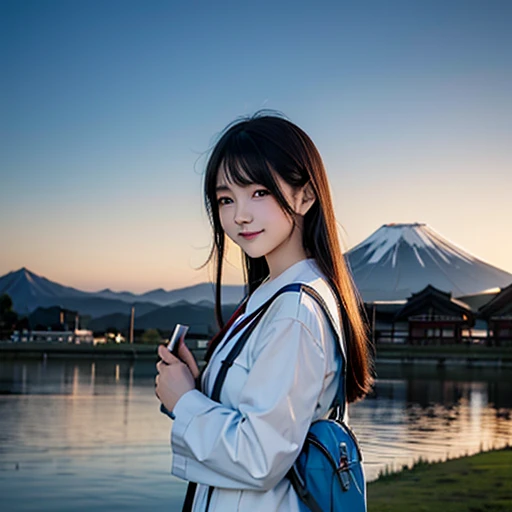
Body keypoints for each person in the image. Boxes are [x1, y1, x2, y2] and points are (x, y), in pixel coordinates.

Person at [155, 112, 373, 512]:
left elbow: (260, 457)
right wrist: (198, 386)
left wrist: (185, 402)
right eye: (225, 199)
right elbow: (261, 413)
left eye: (258, 192)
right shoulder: (274, 295)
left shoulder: (294, 310)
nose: (239, 214)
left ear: (305, 196)